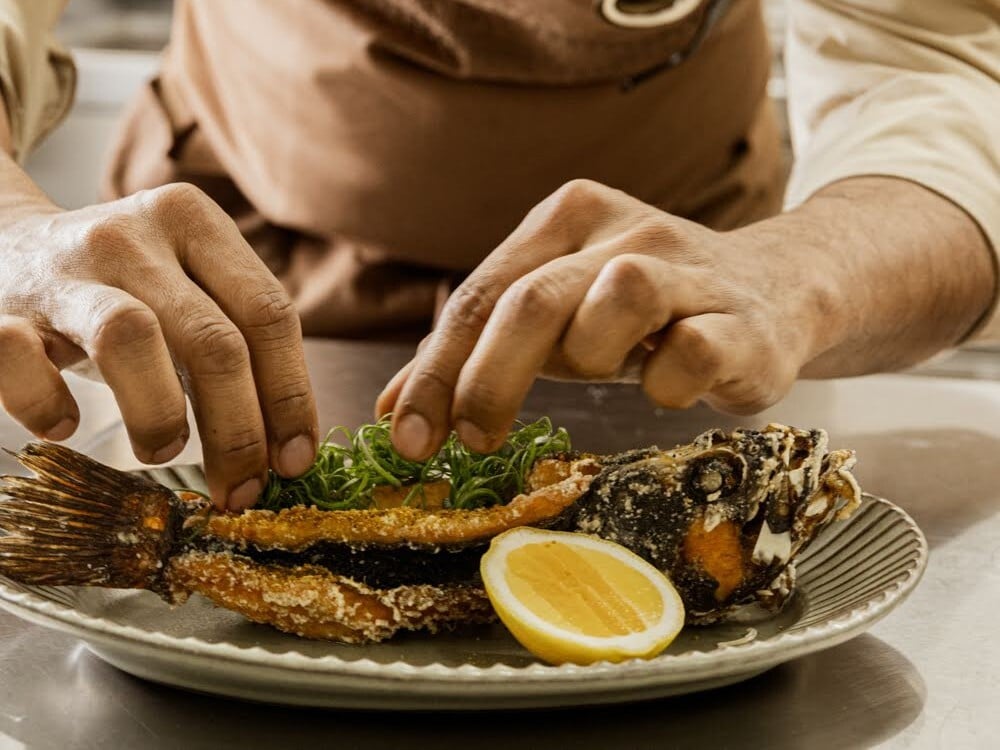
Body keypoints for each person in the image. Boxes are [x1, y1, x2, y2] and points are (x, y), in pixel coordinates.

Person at [0, 1, 996, 509]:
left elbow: (941, 69)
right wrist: (11, 223)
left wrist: (802, 274)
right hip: (228, 290)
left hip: (674, 329)